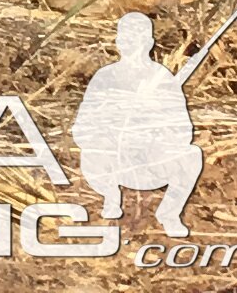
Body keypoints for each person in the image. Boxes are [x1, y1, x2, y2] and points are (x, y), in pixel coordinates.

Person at [72, 12, 204, 236]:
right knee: (92, 151)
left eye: (138, 39)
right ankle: (110, 197)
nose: (131, 45)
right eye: (126, 39)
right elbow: (82, 128)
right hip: (113, 159)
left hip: (149, 161)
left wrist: (152, 127)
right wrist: (113, 124)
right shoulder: (104, 77)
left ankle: (169, 214)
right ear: (118, 42)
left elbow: (183, 131)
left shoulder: (162, 78)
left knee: (191, 155)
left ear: (150, 43)